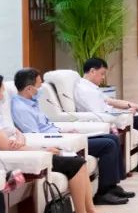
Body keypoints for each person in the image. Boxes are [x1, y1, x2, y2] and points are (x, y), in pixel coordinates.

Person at [0, 72, 113, 213]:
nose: (4, 93)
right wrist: (42, 150)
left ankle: (90, 210)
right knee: (76, 164)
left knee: (80, 162)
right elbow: (6, 147)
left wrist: (21, 140)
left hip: (23, 151)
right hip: (14, 159)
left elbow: (17, 133)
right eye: (2, 89)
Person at [11, 68, 131, 205]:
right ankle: (104, 192)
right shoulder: (21, 108)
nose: (42, 88)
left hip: (61, 137)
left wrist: (66, 132)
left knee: (112, 138)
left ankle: (112, 186)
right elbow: (35, 136)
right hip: (59, 143)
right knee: (108, 145)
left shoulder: (31, 102)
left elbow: (46, 125)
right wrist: (63, 137)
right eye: (39, 85)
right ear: (29, 88)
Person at [75, 57, 138, 172]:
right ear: (92, 71)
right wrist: (125, 113)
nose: (103, 77)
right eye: (102, 74)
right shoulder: (85, 90)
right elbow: (100, 114)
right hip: (110, 121)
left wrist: (136, 106)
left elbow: (111, 101)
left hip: (114, 117)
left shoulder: (90, 87)